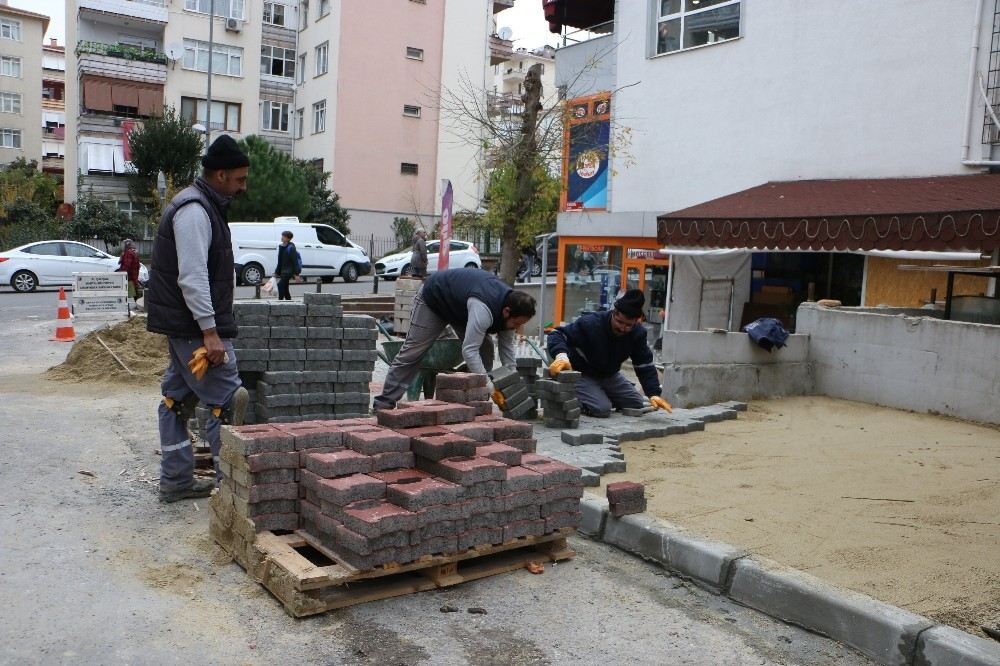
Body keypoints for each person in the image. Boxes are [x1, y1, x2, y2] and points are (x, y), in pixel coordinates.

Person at [145, 135, 250, 503]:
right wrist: (211, 332)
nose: (243, 187)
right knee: (228, 401)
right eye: (239, 179)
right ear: (220, 175)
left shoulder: (203, 205)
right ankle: (231, 490)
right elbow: (191, 276)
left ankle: (176, 482)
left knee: (175, 400)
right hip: (194, 328)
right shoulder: (194, 210)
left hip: (183, 326)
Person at [373, 267, 536, 410]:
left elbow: (507, 351)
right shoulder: (484, 310)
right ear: (506, 311)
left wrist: (513, 382)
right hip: (434, 299)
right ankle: (384, 403)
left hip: (461, 307)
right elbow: (469, 350)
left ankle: (475, 402)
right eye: (516, 323)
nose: (516, 327)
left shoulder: (512, 311)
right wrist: (488, 384)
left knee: (485, 350)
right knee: (414, 351)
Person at [547, 288, 672, 417]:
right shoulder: (591, 323)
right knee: (602, 409)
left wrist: (654, 393)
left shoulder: (637, 334)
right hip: (582, 373)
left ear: (636, 321)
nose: (623, 328)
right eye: (619, 322)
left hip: (609, 375)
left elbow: (644, 364)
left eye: (628, 325)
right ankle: (586, 398)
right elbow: (557, 334)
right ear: (614, 313)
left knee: (635, 403)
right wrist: (561, 355)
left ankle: (599, 396)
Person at [273, 230, 300, 300]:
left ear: (288, 238)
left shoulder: (291, 248)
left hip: (289, 271)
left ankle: (280, 301)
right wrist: (276, 272)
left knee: (280, 285)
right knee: (285, 287)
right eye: (282, 236)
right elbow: (280, 261)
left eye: (284, 236)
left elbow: (295, 261)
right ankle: (288, 300)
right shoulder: (282, 247)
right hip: (283, 271)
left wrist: (297, 274)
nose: (282, 238)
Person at [117, 238, 142, 311]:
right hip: (133, 275)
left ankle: (125, 307)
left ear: (127, 245)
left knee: (126, 291)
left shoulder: (128, 253)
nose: (122, 246)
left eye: (123, 244)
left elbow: (127, 265)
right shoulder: (134, 252)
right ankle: (139, 305)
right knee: (134, 289)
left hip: (129, 276)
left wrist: (122, 273)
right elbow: (138, 265)